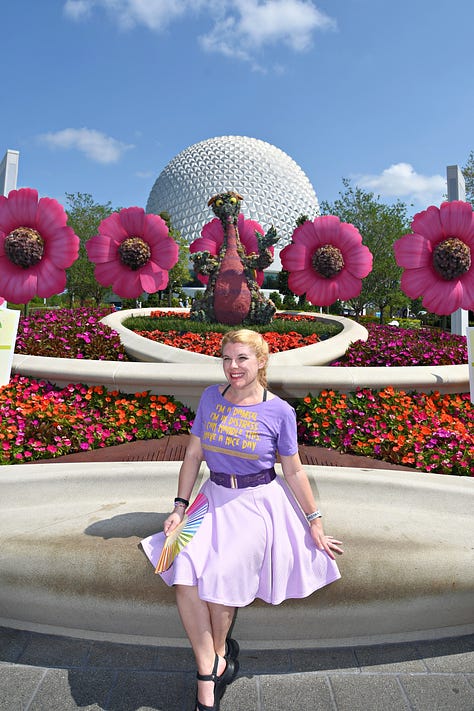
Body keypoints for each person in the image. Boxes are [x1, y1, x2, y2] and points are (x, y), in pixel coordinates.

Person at [141, 329, 343, 711]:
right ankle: (211, 667)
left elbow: (294, 471)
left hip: (256, 504)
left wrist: (314, 521)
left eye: (242, 359)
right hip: (211, 498)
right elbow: (193, 456)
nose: (233, 367)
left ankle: (212, 665)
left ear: (261, 361)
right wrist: (179, 506)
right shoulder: (210, 398)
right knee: (180, 565)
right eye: (227, 359)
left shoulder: (280, 411)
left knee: (222, 577)